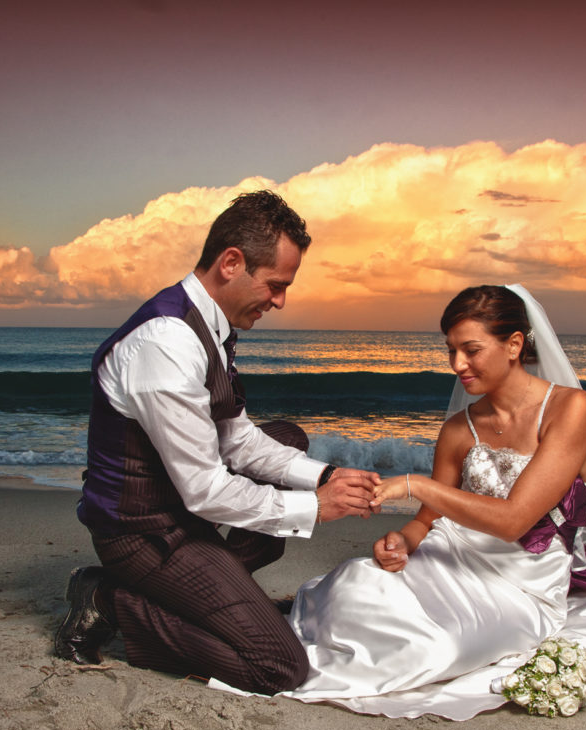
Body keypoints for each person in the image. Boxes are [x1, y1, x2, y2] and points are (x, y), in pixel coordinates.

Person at [214, 284, 586, 719]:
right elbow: (429, 522)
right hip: (448, 558)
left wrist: (413, 485)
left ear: (515, 345)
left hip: (521, 581)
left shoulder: (571, 410)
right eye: (451, 350)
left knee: (438, 646)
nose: (457, 364)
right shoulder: (459, 429)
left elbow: (515, 520)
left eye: (470, 349)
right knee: (359, 587)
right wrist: (399, 541)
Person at [55, 190, 380, 694]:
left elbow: (239, 440)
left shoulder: (211, 324)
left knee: (289, 441)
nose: (280, 301)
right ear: (232, 263)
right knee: (278, 668)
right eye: (275, 285)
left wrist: (325, 477)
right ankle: (113, 600)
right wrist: (314, 507)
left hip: (183, 510)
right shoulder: (166, 342)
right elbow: (205, 490)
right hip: (143, 533)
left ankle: (213, 594)